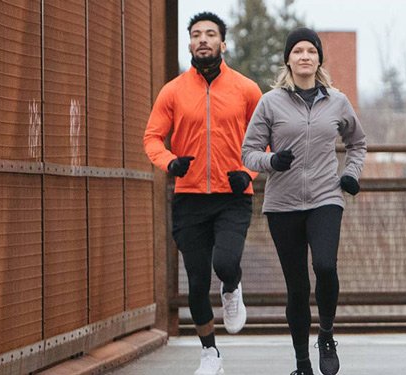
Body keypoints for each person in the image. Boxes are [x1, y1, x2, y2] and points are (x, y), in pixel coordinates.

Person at [139, 12, 263, 375]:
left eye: (211, 34)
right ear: (190, 43)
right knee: (195, 281)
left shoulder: (246, 89)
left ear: (223, 43)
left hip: (233, 195)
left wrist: (249, 171)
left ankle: (232, 287)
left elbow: (266, 138)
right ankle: (210, 353)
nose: (203, 40)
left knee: (225, 264)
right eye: (196, 35)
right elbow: (151, 138)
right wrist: (170, 163)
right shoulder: (174, 91)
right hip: (190, 197)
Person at [242, 27, 368, 375]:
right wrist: (271, 162)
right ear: (288, 59)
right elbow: (248, 153)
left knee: (325, 267)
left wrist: (352, 174)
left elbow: (357, 143)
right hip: (282, 205)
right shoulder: (270, 102)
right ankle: (302, 364)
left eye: (311, 51)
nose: (304, 57)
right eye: (297, 51)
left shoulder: (337, 101)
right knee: (297, 287)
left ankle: (325, 334)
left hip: (326, 197)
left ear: (318, 59)